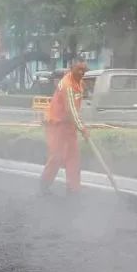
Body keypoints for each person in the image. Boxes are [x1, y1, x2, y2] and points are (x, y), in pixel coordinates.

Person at [40, 57, 89, 194]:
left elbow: (76, 109)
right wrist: (82, 128)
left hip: (69, 125)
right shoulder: (67, 85)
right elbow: (70, 110)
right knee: (57, 157)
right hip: (56, 125)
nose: (81, 72)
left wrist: (78, 125)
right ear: (71, 69)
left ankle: (74, 189)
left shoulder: (79, 82)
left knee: (73, 158)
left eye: (84, 70)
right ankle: (44, 184)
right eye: (78, 69)